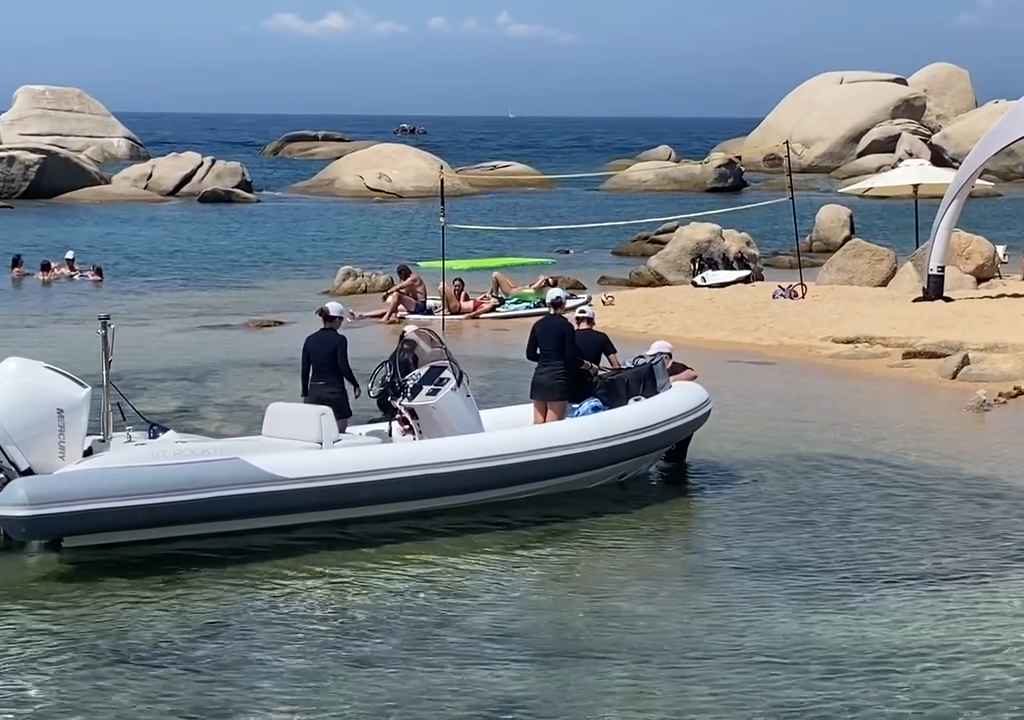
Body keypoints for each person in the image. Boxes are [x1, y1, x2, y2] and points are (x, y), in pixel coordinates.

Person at [301, 301, 362, 432]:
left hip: (314, 391)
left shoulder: (309, 339)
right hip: (334, 391)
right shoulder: (340, 340)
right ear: (336, 320)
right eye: (341, 320)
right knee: (340, 429)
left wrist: (305, 392)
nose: (341, 323)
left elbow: (305, 368)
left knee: (316, 431)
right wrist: (355, 384)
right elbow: (343, 366)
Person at [526, 287, 577, 424]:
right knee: (552, 427)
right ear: (564, 304)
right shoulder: (567, 326)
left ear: (547, 303)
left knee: (538, 424)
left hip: (539, 378)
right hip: (557, 379)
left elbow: (530, 354)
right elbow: (570, 357)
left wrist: (544, 359)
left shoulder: (538, 325)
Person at [572, 305, 620, 401]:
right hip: (591, 387)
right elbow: (616, 366)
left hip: (569, 387)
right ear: (592, 320)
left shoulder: (569, 337)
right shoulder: (601, 337)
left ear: (577, 321)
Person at [358, 264, 430, 323]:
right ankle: (363, 315)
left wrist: (387, 293)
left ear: (403, 273)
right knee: (390, 308)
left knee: (396, 295)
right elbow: (405, 293)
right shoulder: (408, 281)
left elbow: (399, 286)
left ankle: (386, 318)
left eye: (400, 275)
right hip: (413, 305)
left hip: (420, 306)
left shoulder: (413, 278)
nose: (400, 278)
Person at [490, 271, 557, 302]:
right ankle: (490, 293)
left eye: (547, 282)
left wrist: (542, 279)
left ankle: (495, 296)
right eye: (546, 280)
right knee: (505, 278)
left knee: (495, 274)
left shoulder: (542, 289)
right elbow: (529, 287)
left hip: (510, 293)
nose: (545, 282)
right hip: (514, 289)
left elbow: (534, 287)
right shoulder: (540, 287)